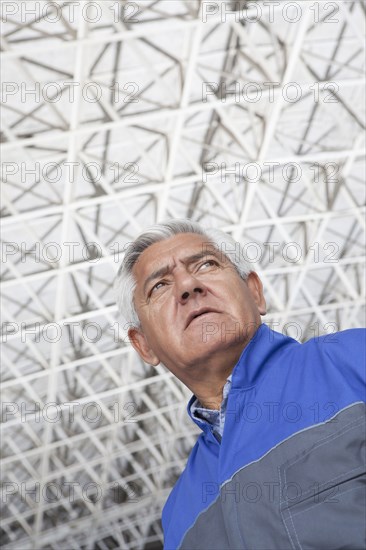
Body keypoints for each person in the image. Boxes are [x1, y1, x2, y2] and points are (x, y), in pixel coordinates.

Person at [114, 219, 365, 550]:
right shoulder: (179, 516)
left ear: (255, 292)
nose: (188, 285)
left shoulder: (353, 360)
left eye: (206, 264)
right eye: (159, 286)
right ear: (144, 344)